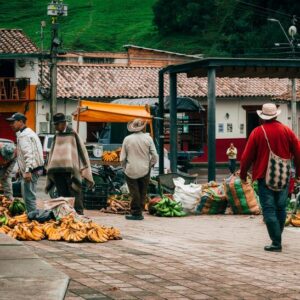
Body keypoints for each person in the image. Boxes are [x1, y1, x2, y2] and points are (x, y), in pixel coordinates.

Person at [240, 103, 300, 252]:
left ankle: (276, 242)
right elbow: (298, 153)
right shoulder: (287, 131)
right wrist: (298, 173)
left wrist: (242, 174)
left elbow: (247, 157)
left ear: (262, 117)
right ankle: (277, 237)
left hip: (263, 176)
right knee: (281, 208)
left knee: (269, 209)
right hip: (284, 176)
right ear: (276, 115)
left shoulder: (257, 132)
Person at [45, 113, 94, 215]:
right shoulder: (56, 135)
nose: (55, 126)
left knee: (75, 193)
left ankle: (79, 214)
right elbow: (53, 152)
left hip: (71, 170)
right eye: (54, 124)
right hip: (57, 170)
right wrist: (49, 166)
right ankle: (66, 215)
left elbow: (81, 151)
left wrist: (84, 168)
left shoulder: (72, 134)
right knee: (62, 194)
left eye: (56, 124)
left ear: (63, 124)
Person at [120, 118, 158, 220]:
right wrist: (150, 164)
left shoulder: (127, 139)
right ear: (143, 127)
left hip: (131, 168)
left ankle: (136, 213)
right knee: (143, 191)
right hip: (145, 168)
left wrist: (124, 167)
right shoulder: (148, 139)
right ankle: (139, 211)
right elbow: (155, 155)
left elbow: (122, 158)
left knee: (134, 191)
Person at [6, 113, 44, 212]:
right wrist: (20, 169)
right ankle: (31, 216)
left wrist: (28, 170)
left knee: (29, 198)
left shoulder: (25, 135)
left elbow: (29, 154)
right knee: (28, 196)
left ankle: (33, 220)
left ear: (21, 122)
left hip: (32, 170)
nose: (11, 125)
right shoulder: (26, 133)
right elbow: (24, 154)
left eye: (13, 122)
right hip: (35, 168)